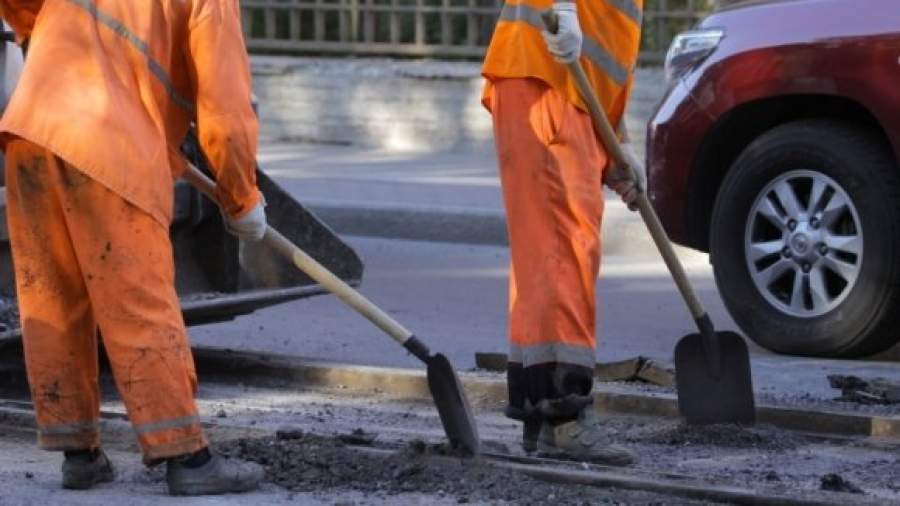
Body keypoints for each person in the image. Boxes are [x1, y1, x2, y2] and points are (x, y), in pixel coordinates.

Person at [0, 0, 268, 495]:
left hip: (31, 133)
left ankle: (78, 453)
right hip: (109, 143)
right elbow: (227, 116)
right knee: (140, 302)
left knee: (54, 297)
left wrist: (42, 38)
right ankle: (187, 458)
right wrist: (242, 198)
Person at [481, 0, 643, 463]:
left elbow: (602, 53)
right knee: (562, 251)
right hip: (544, 84)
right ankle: (565, 415)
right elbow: (575, 28)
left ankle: (544, 414)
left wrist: (619, 146)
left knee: (549, 255)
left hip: (566, 92)